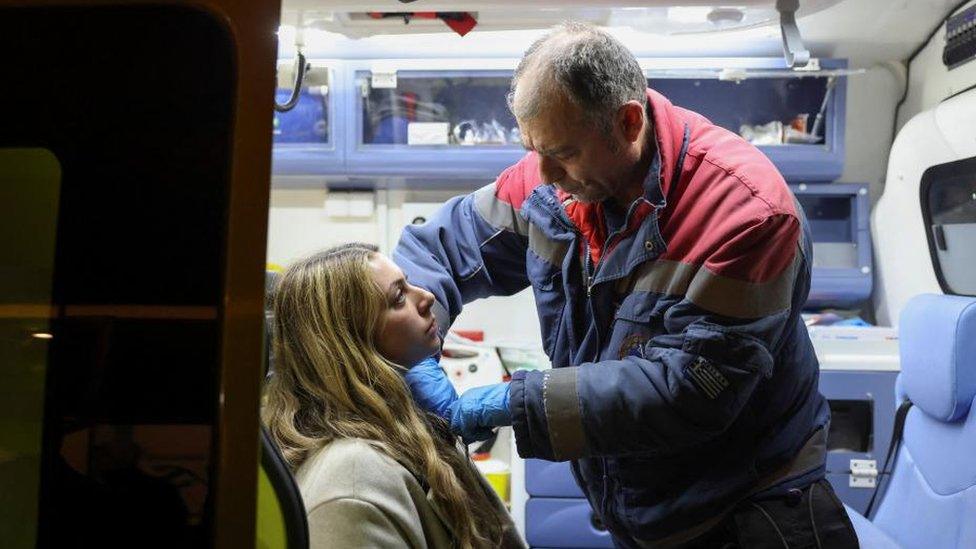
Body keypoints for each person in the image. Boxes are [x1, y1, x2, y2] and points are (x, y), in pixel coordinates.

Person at [395, 22, 858, 548]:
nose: (541, 173)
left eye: (563, 153)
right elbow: (439, 249)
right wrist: (410, 340)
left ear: (628, 123)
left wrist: (509, 403)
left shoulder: (746, 213)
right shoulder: (551, 179)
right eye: (532, 148)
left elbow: (685, 392)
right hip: (644, 514)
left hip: (753, 515)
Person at [262, 243, 524, 549]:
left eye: (410, 283)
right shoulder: (352, 482)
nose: (426, 297)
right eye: (399, 296)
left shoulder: (413, 433)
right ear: (350, 343)